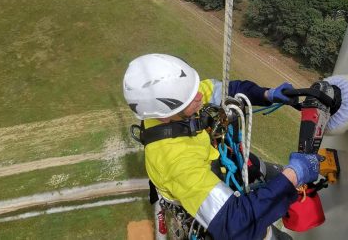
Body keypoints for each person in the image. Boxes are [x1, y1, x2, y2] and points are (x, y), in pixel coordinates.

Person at [123, 54, 321, 240]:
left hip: (217, 160)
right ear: (164, 116)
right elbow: (235, 223)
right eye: (191, 97)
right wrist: (295, 173)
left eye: (194, 87)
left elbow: (227, 89)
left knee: (267, 173)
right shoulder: (176, 163)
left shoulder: (178, 100)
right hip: (215, 206)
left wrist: (267, 94)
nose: (200, 95)